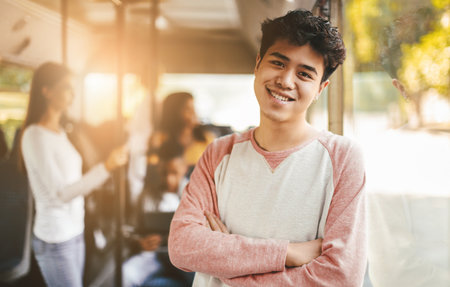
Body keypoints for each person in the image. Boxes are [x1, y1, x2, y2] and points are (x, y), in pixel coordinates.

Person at [168, 9, 366, 287]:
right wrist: (289, 252)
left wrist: (225, 260)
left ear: (322, 88)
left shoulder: (342, 157)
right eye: (278, 63)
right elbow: (182, 246)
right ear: (258, 64)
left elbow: (339, 277)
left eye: (305, 74)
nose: (286, 81)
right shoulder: (219, 153)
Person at [18, 62, 128, 287]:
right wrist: (106, 167)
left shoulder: (60, 132)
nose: (73, 94)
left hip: (75, 231)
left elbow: (75, 182)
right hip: (56, 239)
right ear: (46, 91)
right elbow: (61, 194)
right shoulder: (35, 136)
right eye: (67, 87)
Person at [123, 140, 194, 287]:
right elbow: (130, 229)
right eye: (164, 173)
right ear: (158, 169)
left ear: (184, 168)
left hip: (184, 257)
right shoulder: (147, 196)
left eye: (174, 173)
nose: (168, 179)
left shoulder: (195, 195)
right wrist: (139, 242)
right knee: (126, 274)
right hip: (153, 255)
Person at [148, 92, 215, 174]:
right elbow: (154, 170)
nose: (193, 113)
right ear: (173, 113)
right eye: (188, 109)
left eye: (194, 108)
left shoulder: (207, 139)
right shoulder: (160, 139)